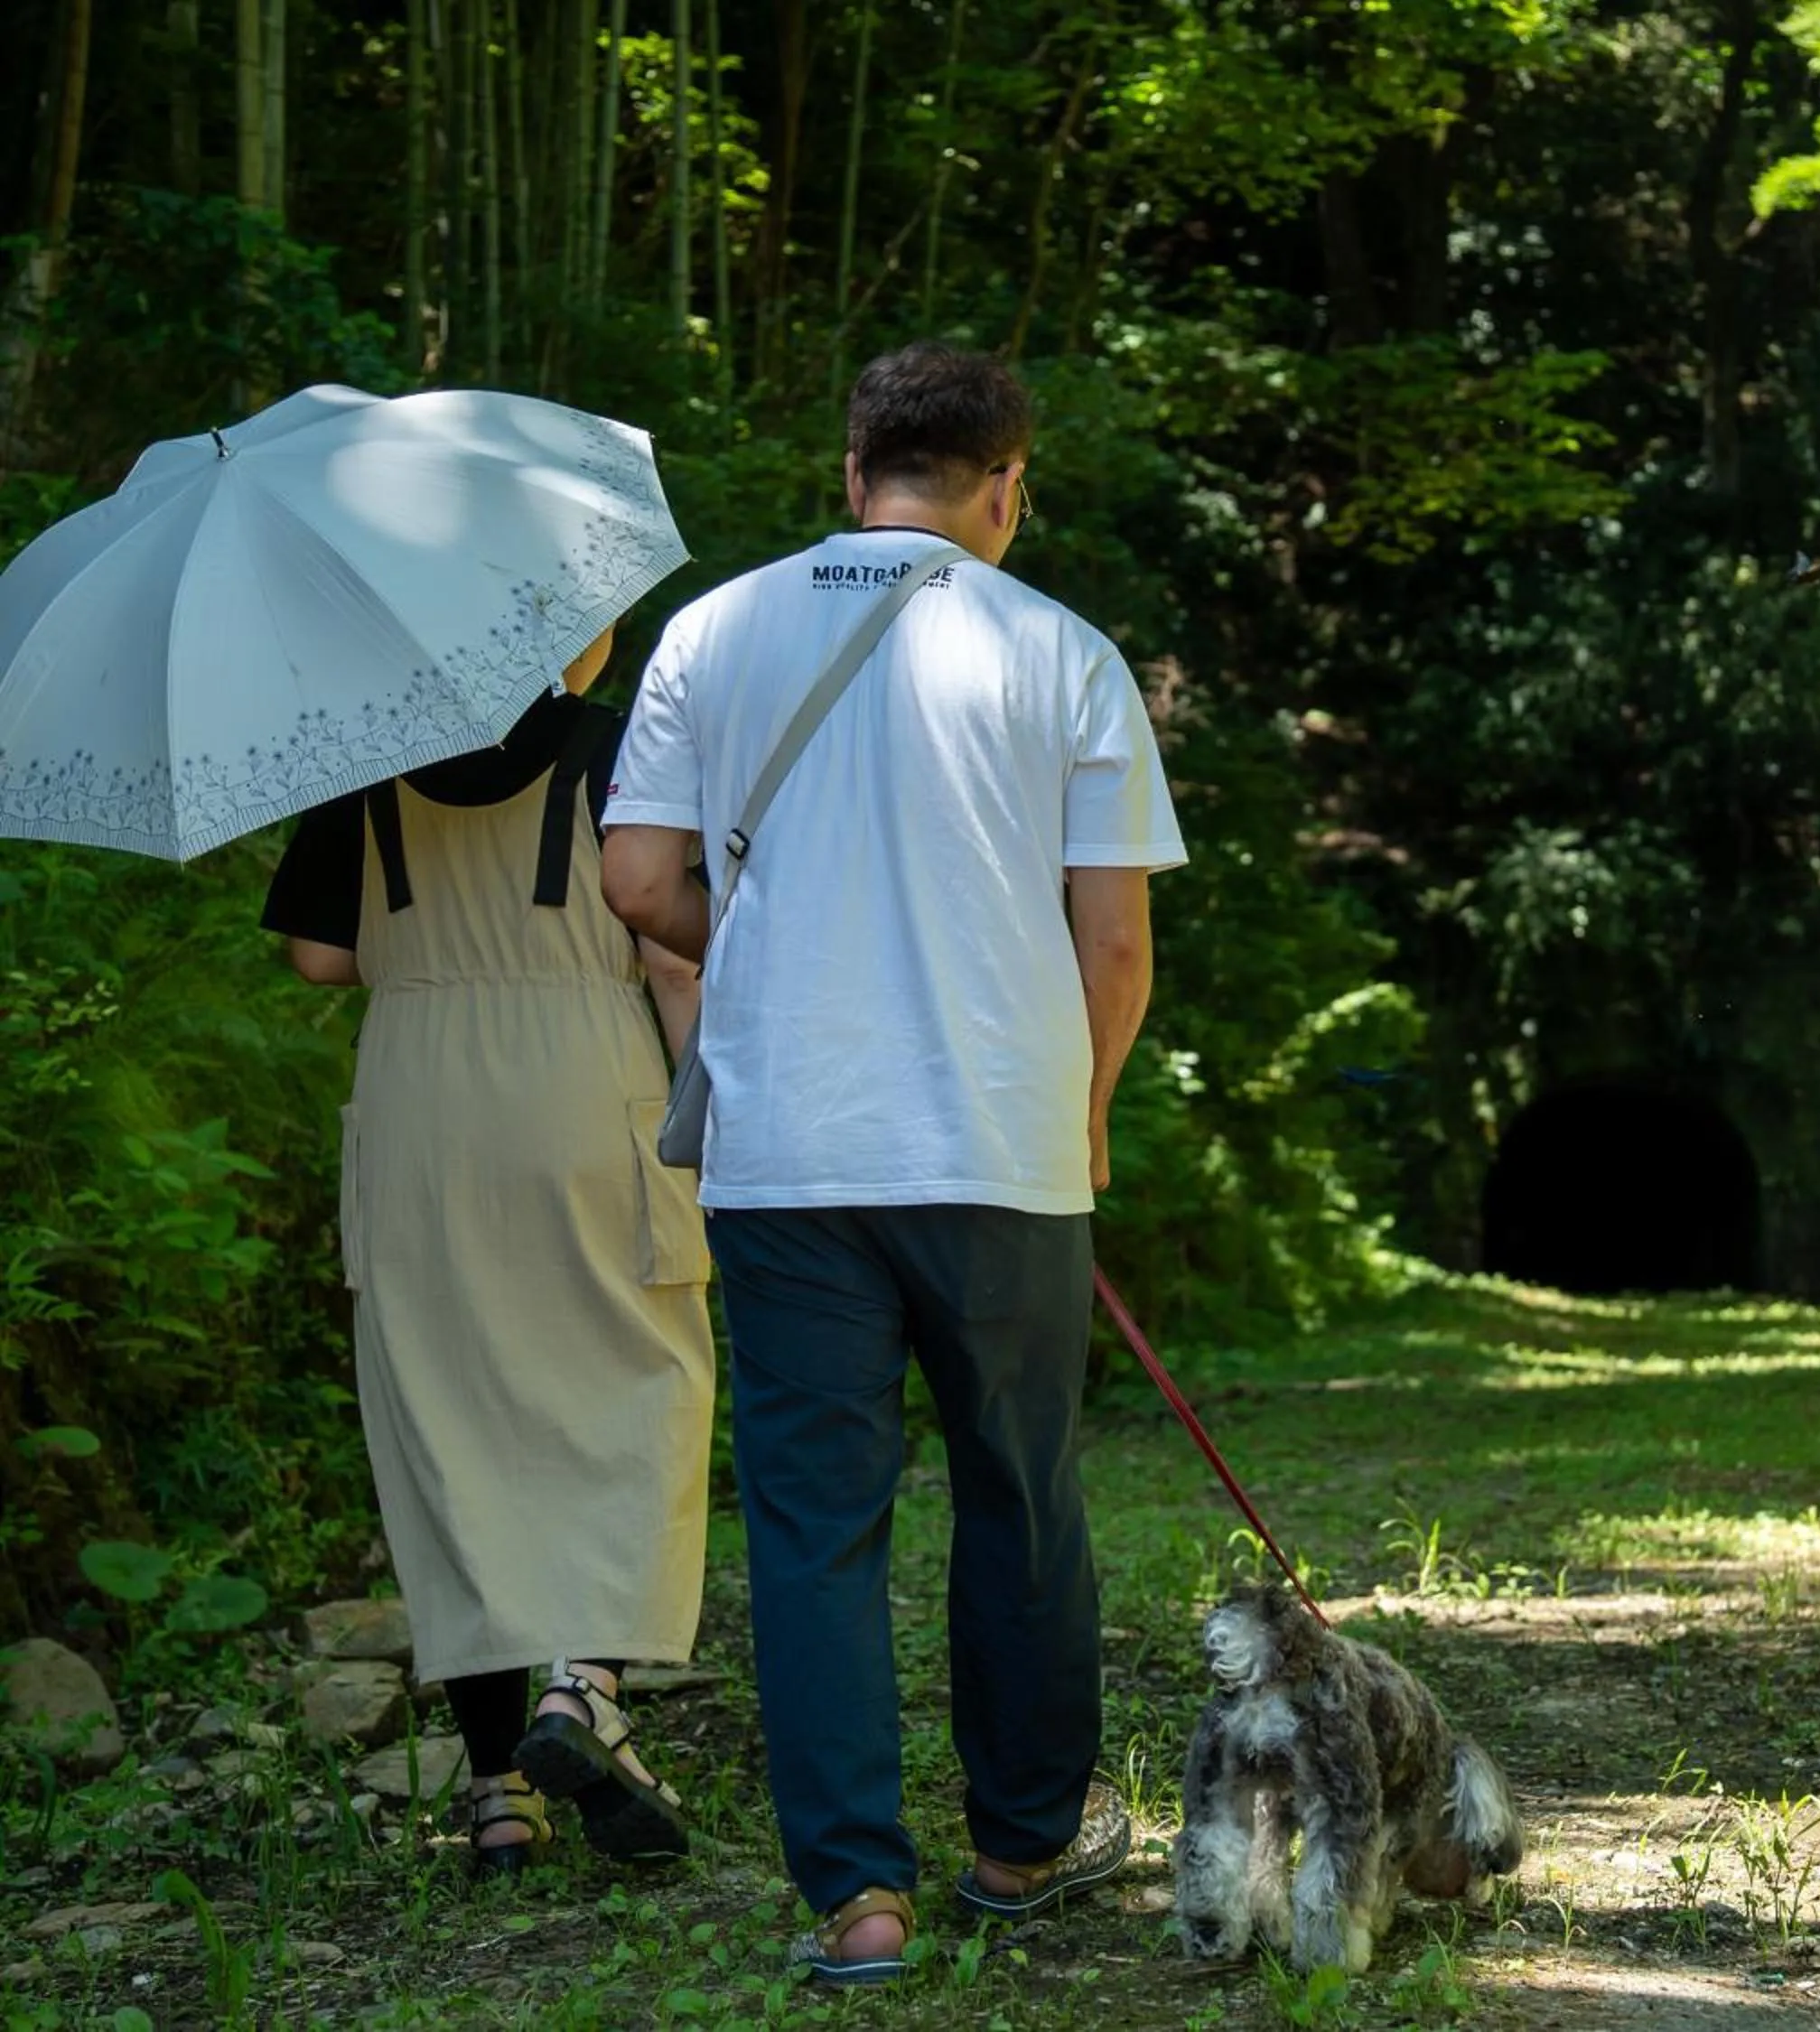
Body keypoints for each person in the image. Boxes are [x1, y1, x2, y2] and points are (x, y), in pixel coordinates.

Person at [597, 340, 1184, 1985]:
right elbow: (1116, 941)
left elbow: (641, 882)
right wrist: (1086, 1102)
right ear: (1008, 486)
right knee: (1019, 1496)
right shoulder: (1061, 649)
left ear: (853, 475)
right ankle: (1019, 1844)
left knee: (812, 1527)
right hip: (999, 1143)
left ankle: (856, 1895)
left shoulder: (710, 631)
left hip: (787, 1160)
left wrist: (776, 953)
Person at [263, 623, 718, 1875]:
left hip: (420, 1106)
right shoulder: (615, 749)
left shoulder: (366, 758)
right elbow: (669, 951)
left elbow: (317, 953)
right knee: (640, 1382)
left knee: (450, 1426)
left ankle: (497, 1787)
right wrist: (718, 1116)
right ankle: (585, 1687)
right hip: (583, 1087)